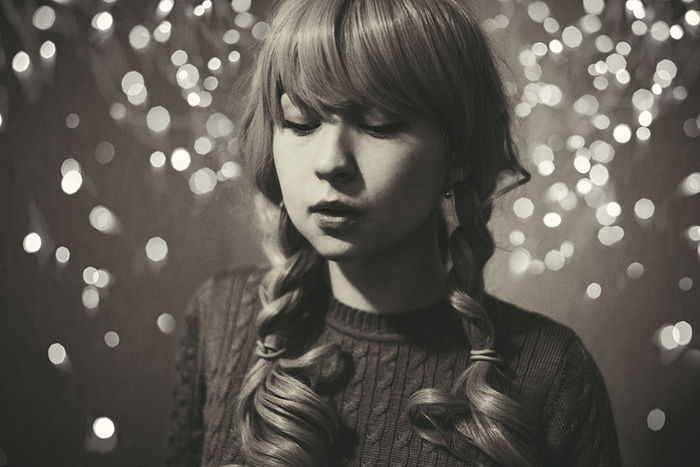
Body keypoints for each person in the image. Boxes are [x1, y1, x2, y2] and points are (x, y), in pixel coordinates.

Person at [164, 0, 620, 465]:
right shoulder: (220, 320)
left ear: (458, 154)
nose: (330, 163)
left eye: (378, 124)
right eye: (301, 122)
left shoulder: (551, 373)